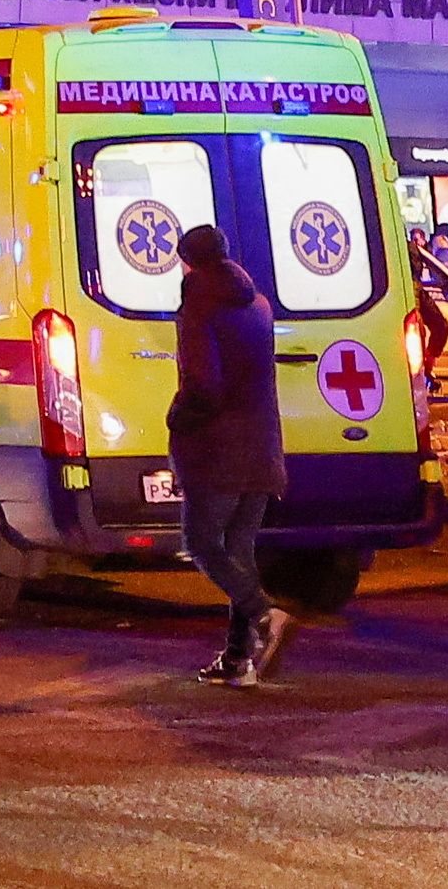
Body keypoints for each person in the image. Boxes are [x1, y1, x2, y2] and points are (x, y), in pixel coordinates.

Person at [166, 222, 296, 687]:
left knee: (201, 543)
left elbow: (203, 385)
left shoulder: (199, 309)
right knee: (239, 551)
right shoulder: (257, 304)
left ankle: (264, 615)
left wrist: (176, 418)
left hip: (217, 451)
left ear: (188, 262)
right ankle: (239, 660)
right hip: (261, 448)